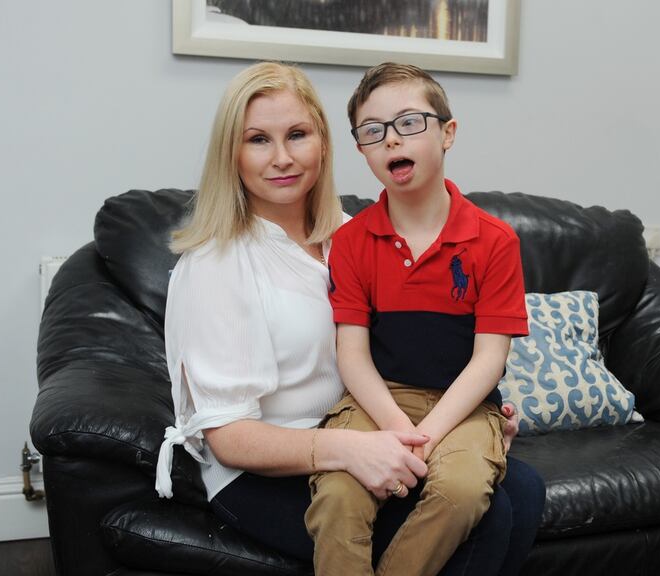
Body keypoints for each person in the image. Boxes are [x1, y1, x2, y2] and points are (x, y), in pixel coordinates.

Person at [153, 61, 544, 575]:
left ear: (325, 141)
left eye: (298, 134)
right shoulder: (214, 264)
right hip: (266, 468)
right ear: (232, 154)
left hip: (373, 426)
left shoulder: (352, 233)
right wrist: (347, 449)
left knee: (523, 488)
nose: (283, 158)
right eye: (258, 140)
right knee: (490, 520)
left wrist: (475, 425)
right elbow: (228, 437)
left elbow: (420, 349)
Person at [306, 62, 530, 576]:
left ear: (447, 133)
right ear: (361, 149)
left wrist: (424, 436)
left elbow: (489, 358)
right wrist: (393, 426)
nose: (390, 140)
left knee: (462, 490)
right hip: (378, 396)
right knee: (339, 493)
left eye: (409, 122)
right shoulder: (352, 240)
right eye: (372, 131)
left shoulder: (495, 241)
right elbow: (352, 353)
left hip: (463, 406)